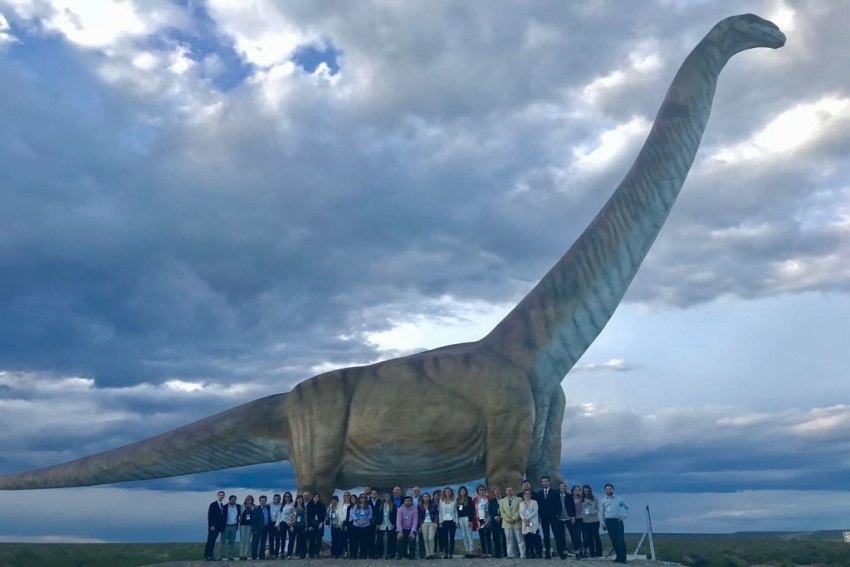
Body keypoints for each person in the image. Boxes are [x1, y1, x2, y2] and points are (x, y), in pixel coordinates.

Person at [602, 483, 629, 564]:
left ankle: (623, 557)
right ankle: (618, 557)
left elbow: (627, 507)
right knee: (613, 540)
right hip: (608, 521)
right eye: (607, 489)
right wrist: (602, 523)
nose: (608, 490)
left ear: (613, 490)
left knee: (620, 539)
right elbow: (601, 512)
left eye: (610, 489)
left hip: (618, 521)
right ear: (605, 490)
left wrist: (624, 516)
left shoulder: (619, 499)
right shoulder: (603, 500)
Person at [536, 476, 560, 559]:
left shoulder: (554, 492)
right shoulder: (539, 493)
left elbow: (558, 504)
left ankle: (561, 553)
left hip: (553, 517)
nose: (544, 483)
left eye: (546, 481)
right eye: (543, 481)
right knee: (546, 535)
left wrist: (557, 514)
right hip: (544, 517)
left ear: (549, 482)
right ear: (541, 483)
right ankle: (547, 554)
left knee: (556, 534)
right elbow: (538, 506)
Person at [499, 486, 524, 558]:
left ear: (513, 491)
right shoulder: (502, 500)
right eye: (508, 490)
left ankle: (522, 554)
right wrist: (508, 520)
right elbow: (502, 511)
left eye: (511, 490)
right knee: (509, 539)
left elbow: (520, 510)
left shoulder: (519, 499)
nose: (509, 491)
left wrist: (514, 519)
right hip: (507, 523)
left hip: (517, 522)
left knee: (520, 539)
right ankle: (510, 554)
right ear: (506, 492)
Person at [581, 485, 603, 558]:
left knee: (596, 537)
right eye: (584, 491)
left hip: (594, 520)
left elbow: (598, 508)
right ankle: (592, 553)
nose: (586, 492)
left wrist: (593, 512)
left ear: (590, 491)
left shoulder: (594, 498)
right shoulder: (582, 499)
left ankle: (599, 552)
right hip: (585, 521)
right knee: (589, 538)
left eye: (587, 491)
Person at [350, 493, 374, 559]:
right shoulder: (355, 506)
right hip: (356, 526)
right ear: (359, 499)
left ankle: (363, 554)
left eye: (364, 497)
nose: (363, 499)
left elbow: (370, 515)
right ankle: (354, 554)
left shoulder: (369, 506)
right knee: (355, 541)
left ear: (366, 499)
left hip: (366, 526)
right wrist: (357, 520)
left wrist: (365, 521)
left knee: (364, 541)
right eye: (361, 497)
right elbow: (352, 514)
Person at [555, 481, 575, 559]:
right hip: (559, 518)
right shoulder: (556, 496)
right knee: (561, 536)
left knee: (572, 535)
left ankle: (576, 550)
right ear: (559, 488)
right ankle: (563, 552)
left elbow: (572, 507)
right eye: (561, 487)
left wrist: (573, 516)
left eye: (563, 487)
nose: (562, 488)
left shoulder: (569, 496)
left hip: (568, 517)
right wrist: (555, 515)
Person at [204, 490, 226, 561]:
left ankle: (210, 555)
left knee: (213, 541)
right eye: (220, 495)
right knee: (210, 540)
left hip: (218, 527)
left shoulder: (222, 505)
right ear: (218, 495)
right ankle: (207, 555)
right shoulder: (213, 504)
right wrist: (211, 525)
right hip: (213, 526)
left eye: (222, 495)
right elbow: (210, 515)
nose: (221, 496)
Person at [521, 489, 541, 558]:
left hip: (533, 522)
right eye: (525, 494)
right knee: (527, 538)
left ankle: (538, 553)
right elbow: (520, 513)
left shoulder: (534, 502)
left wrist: (527, 518)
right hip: (525, 523)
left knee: (534, 538)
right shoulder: (521, 503)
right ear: (523, 495)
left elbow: (535, 511)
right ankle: (530, 553)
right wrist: (524, 519)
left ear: (530, 495)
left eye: (528, 494)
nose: (527, 495)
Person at [438, 486, 458, 559]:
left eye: (449, 491)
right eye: (446, 491)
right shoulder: (441, 501)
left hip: (452, 521)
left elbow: (455, 511)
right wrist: (440, 522)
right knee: (445, 538)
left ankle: (451, 553)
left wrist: (456, 521)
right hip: (444, 521)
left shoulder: (454, 500)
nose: (447, 493)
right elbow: (440, 512)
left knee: (452, 538)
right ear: (444, 493)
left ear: (451, 492)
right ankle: (446, 553)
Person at [473, 485, 492, 558]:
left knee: (488, 536)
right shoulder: (475, 499)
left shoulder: (489, 498)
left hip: (487, 519)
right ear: (478, 491)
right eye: (480, 490)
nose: (482, 491)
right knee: (482, 537)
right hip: (479, 520)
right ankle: (484, 552)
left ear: (485, 490)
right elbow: (474, 510)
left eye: (483, 489)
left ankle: (489, 552)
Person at [376, 493, 397, 559]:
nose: (387, 497)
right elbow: (377, 515)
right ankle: (379, 553)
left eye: (388, 496)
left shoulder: (393, 505)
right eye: (385, 496)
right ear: (383, 498)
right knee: (379, 540)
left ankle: (390, 554)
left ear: (390, 497)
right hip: (382, 524)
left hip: (390, 524)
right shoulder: (380, 505)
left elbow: (395, 515)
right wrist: (377, 524)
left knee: (390, 540)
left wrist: (394, 524)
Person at [456, 486, 475, 557]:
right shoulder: (458, 499)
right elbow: (459, 510)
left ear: (466, 491)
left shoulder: (469, 499)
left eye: (464, 491)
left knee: (469, 534)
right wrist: (461, 503)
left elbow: (471, 510)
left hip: (467, 518)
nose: (462, 492)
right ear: (459, 492)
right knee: (463, 535)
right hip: (460, 518)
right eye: (461, 491)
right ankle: (467, 551)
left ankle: (471, 551)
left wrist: (470, 520)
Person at [221, 494, 241, 561]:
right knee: (222, 542)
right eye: (232, 499)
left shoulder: (238, 506)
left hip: (234, 526)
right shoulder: (224, 507)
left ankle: (230, 556)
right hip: (226, 526)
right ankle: (220, 556)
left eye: (235, 499)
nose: (233, 501)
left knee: (231, 542)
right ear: (229, 500)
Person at [419, 492, 438, 559]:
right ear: (423, 498)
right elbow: (419, 516)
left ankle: (432, 553)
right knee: (425, 539)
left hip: (432, 523)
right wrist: (420, 525)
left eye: (427, 496)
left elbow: (436, 514)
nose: (426, 498)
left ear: (429, 498)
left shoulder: (433, 505)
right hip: (424, 524)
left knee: (431, 538)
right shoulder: (420, 506)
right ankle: (428, 554)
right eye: (424, 496)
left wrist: (435, 522)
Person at [251, 494, 271, 560]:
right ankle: (254, 556)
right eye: (262, 500)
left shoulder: (268, 508)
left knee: (263, 542)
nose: (263, 502)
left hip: (266, 527)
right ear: (259, 501)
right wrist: (255, 530)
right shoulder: (256, 509)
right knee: (255, 542)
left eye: (264, 500)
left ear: (266, 501)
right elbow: (253, 521)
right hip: (258, 528)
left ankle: (261, 556)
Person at [307, 492, 327, 558]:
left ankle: (317, 553)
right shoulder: (309, 505)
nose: (316, 498)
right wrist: (309, 525)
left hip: (319, 524)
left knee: (318, 539)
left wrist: (321, 522)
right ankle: (311, 553)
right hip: (312, 524)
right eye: (315, 497)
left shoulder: (321, 505)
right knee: (312, 539)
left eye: (317, 497)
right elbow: (307, 516)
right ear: (313, 498)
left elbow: (324, 515)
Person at [488, 487, 506, 558]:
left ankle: (505, 552)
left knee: (505, 537)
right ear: (494, 493)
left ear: (500, 491)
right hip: (495, 522)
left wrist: (501, 516)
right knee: (496, 538)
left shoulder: (505, 499)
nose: (497, 492)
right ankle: (497, 553)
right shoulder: (492, 501)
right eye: (495, 491)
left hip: (504, 520)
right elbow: (490, 511)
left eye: (498, 491)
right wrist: (495, 517)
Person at [277, 492, 295, 559]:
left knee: (291, 539)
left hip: (290, 523)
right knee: (283, 539)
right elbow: (280, 515)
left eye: (288, 496)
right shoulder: (282, 505)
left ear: (290, 497)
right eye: (286, 496)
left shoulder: (293, 505)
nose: (287, 497)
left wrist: (292, 525)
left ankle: (289, 554)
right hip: (283, 523)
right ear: (284, 497)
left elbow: (293, 515)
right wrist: (277, 524)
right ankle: (282, 553)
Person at [569, 485, 585, 558]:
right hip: (574, 519)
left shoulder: (582, 498)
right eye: (575, 489)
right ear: (572, 491)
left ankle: (584, 550)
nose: (577, 490)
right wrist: (572, 517)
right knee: (576, 536)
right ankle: (577, 551)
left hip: (583, 519)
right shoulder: (570, 498)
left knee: (585, 536)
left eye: (578, 489)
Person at [238, 495, 255, 561]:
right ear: (245, 500)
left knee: (247, 540)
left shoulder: (253, 507)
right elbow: (239, 515)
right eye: (248, 499)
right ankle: (241, 555)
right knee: (243, 540)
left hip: (250, 525)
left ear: (252, 500)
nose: (249, 500)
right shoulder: (242, 507)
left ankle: (245, 555)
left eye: (250, 499)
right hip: (242, 525)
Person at [292, 494, 308, 559]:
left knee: (303, 540)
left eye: (301, 499)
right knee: (298, 540)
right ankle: (297, 554)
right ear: (297, 500)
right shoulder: (293, 508)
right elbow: (291, 517)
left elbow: (306, 518)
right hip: (296, 526)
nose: (300, 500)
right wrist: (292, 525)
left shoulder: (304, 508)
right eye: (298, 499)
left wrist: (306, 526)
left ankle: (303, 554)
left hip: (303, 526)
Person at [368, 489, 382, 558]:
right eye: (372, 493)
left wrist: (379, 523)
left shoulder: (381, 502)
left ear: (377, 494)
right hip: (369, 523)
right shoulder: (367, 502)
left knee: (379, 539)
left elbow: (381, 513)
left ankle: (378, 553)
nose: (373, 494)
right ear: (370, 494)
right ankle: (371, 553)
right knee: (371, 539)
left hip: (379, 523)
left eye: (375, 493)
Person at [269, 493, 283, 559]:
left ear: (280, 499)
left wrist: (278, 524)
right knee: (271, 539)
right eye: (275, 499)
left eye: (278, 499)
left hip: (278, 524)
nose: (276, 500)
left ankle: (276, 554)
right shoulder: (269, 505)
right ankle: (271, 553)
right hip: (271, 523)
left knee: (277, 539)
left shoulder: (282, 505)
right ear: (273, 499)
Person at [432, 491, 443, 557]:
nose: (438, 496)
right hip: (433, 522)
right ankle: (434, 551)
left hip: (441, 522)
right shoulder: (431, 503)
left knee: (441, 537)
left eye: (439, 495)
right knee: (434, 537)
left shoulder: (442, 502)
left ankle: (441, 551)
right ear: (433, 495)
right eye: (436, 494)